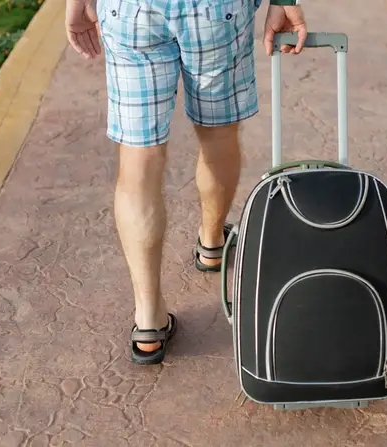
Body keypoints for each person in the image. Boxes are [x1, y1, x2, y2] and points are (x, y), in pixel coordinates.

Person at [64, 0, 307, 365]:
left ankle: (148, 320)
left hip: (132, 13)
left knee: (138, 159)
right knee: (218, 135)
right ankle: (212, 244)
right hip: (214, 11)